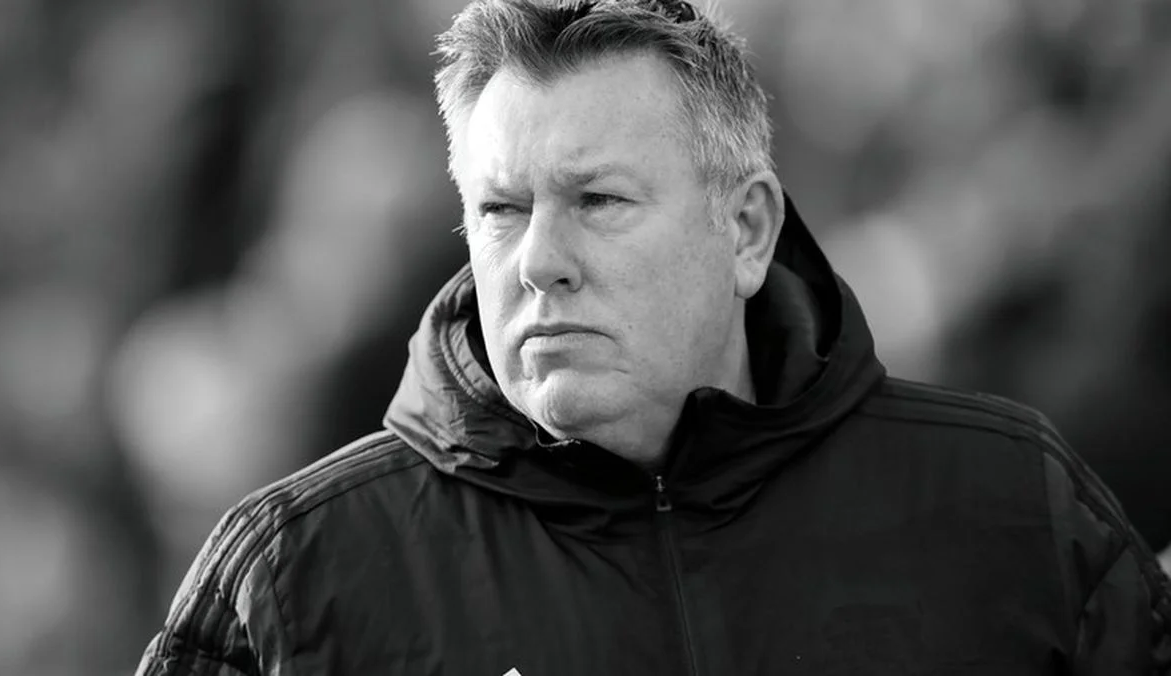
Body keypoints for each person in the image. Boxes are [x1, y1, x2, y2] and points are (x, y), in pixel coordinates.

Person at [136, 0, 1171, 673]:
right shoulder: (296, 576)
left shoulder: (1013, 510)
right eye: (501, 211)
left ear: (747, 230)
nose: (538, 259)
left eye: (597, 200)